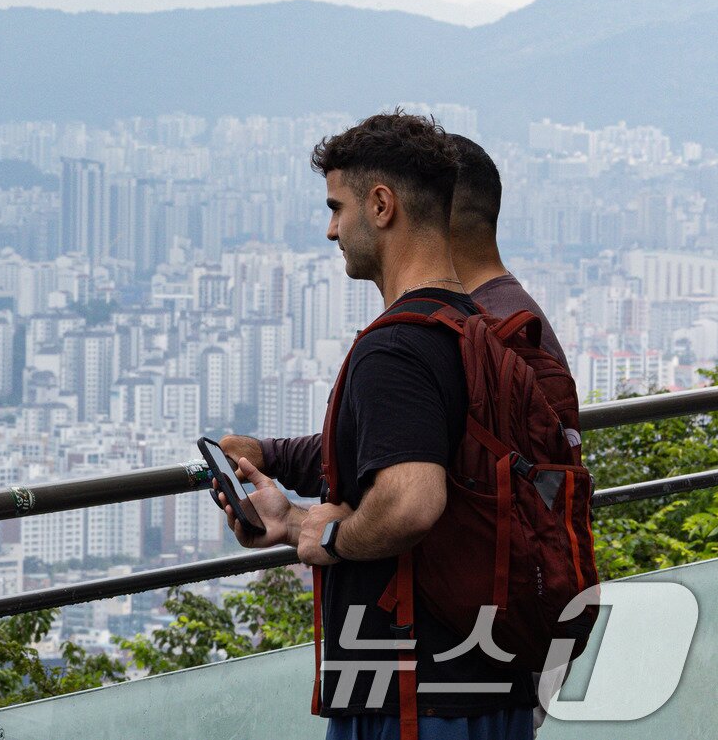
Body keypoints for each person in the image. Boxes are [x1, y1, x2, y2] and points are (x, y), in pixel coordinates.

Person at [215, 114, 536, 739]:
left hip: (409, 695)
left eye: (338, 207)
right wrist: (290, 518)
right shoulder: (477, 331)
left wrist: (323, 538)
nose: (331, 229)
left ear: (381, 205)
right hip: (486, 680)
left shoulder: (395, 350)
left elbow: (413, 500)